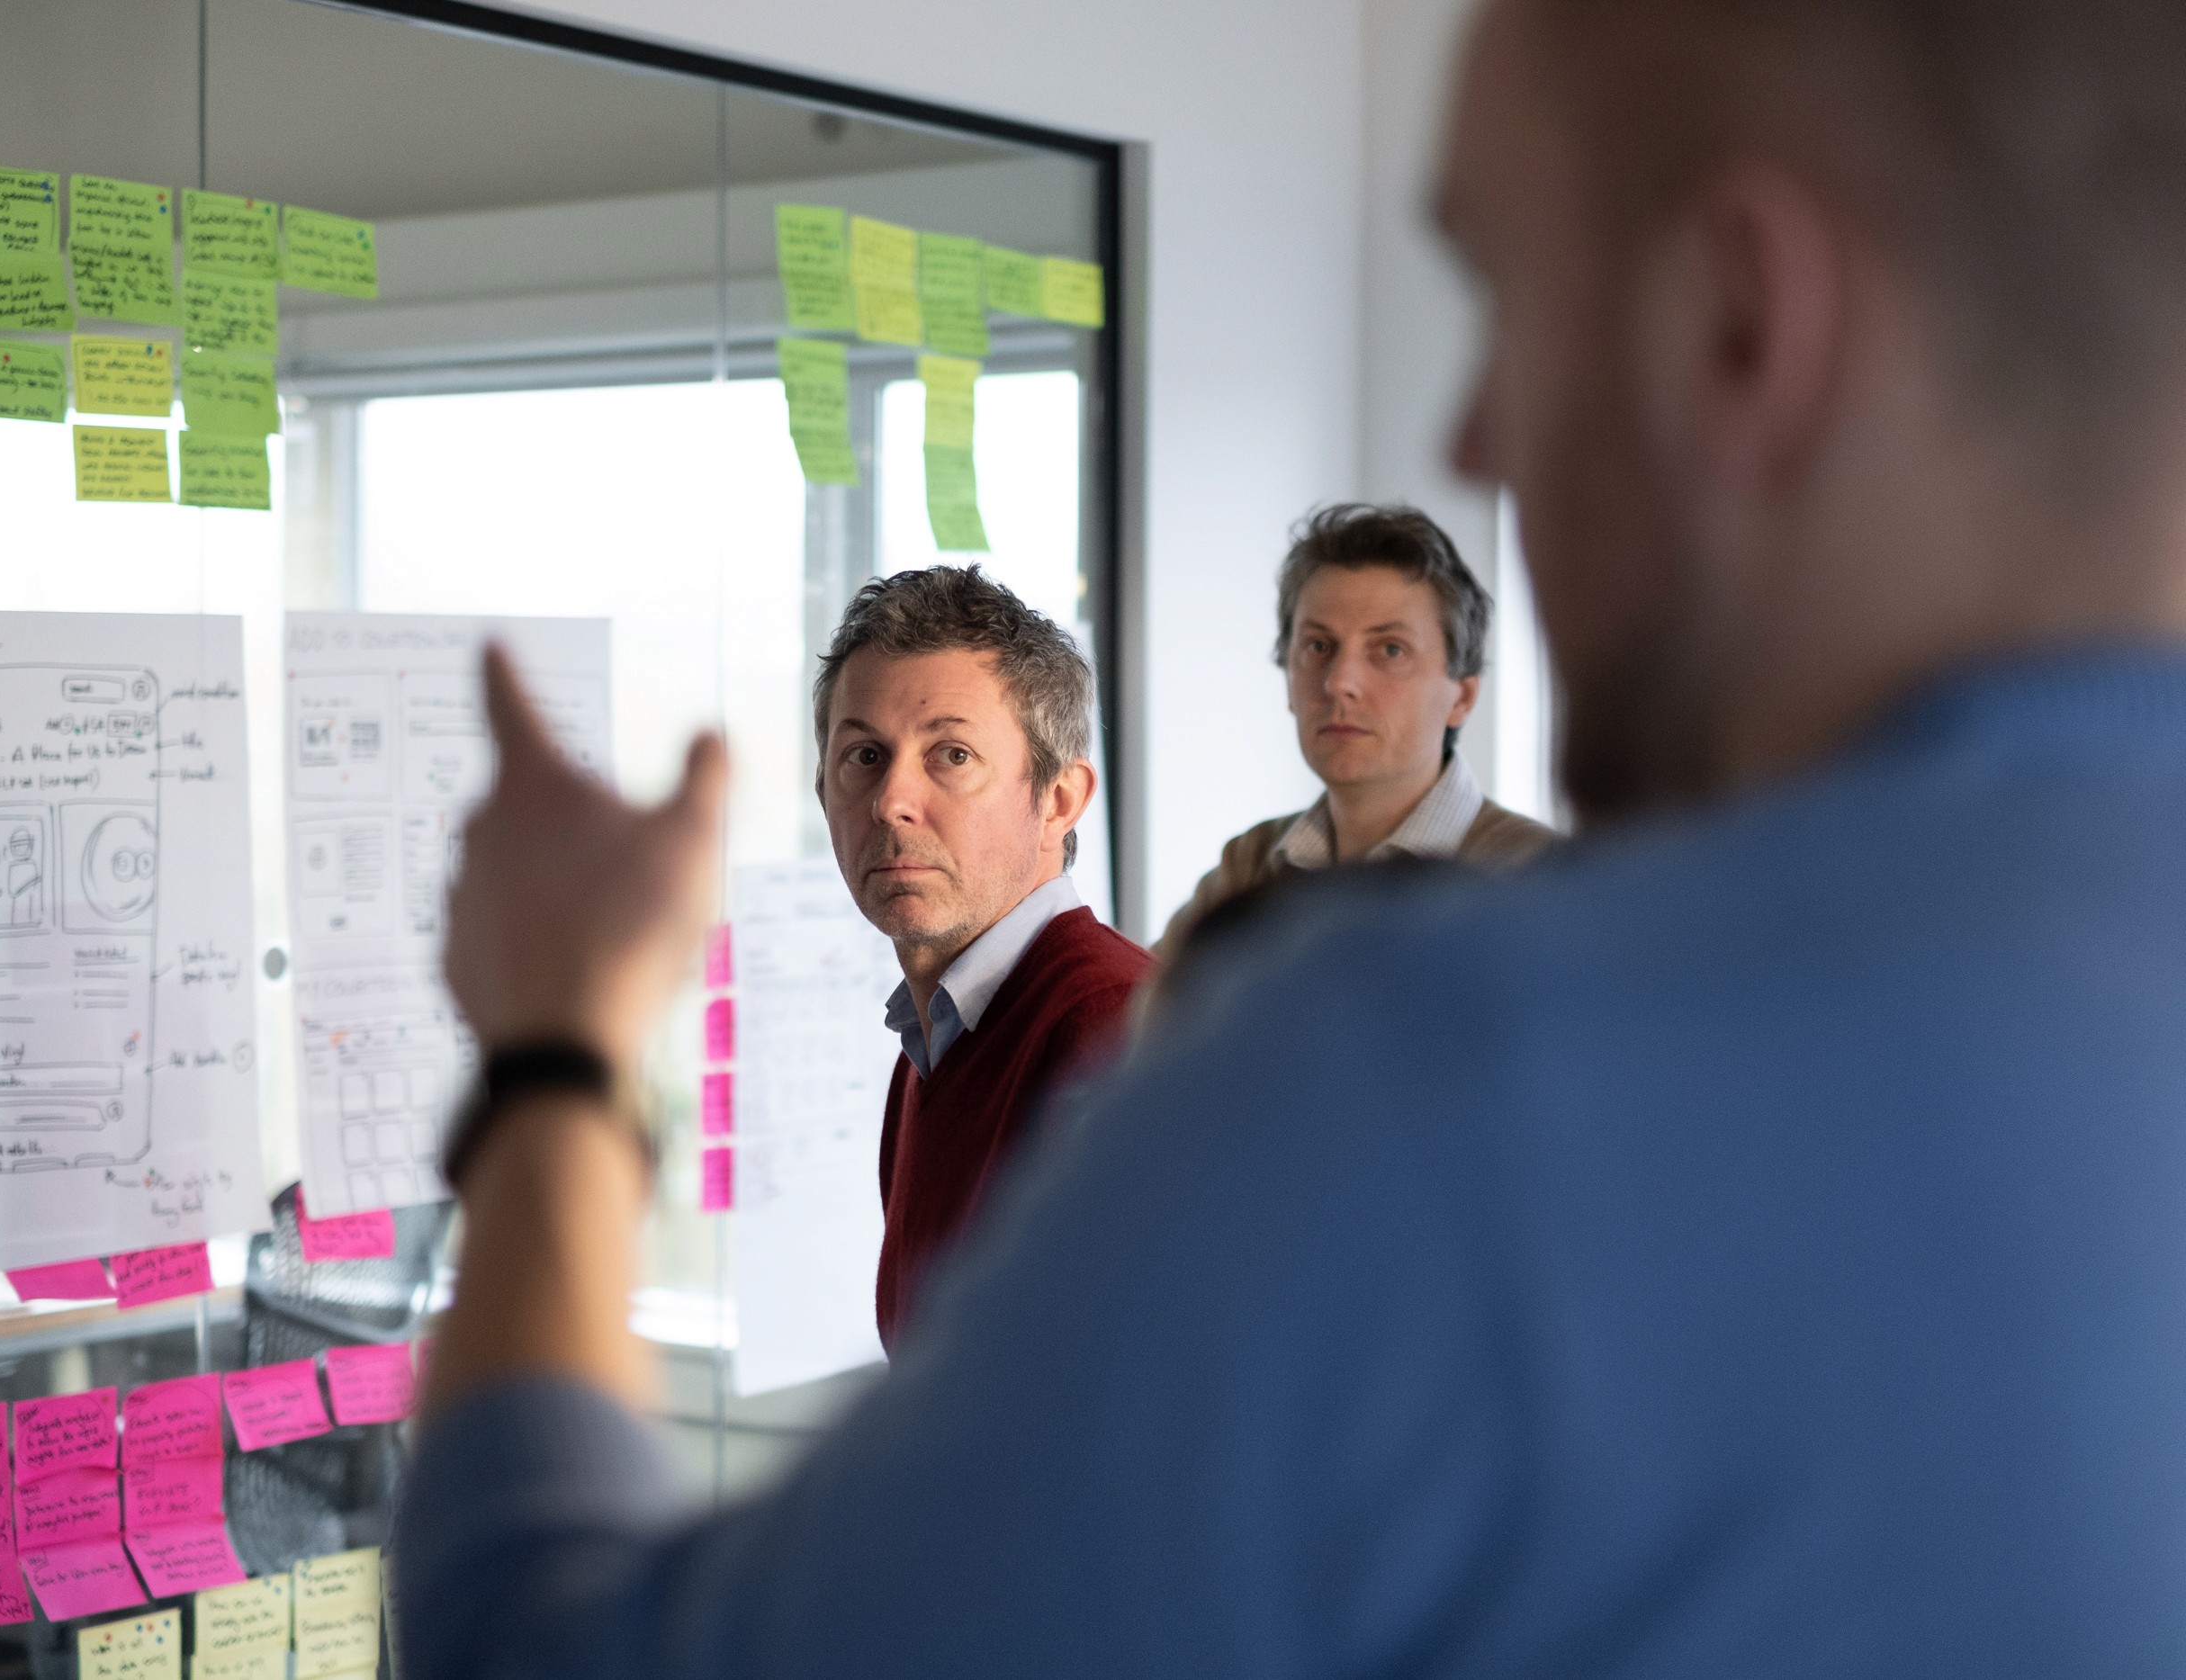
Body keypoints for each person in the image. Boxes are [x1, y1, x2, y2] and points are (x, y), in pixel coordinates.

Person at [404, 0, 2186, 1671]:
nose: (1474, 427)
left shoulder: (1435, 1085)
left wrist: (556, 1047)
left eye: (1503, 294)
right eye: (862, 754)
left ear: (1735, 328)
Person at [812, 566, 1150, 1343]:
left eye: (952, 755)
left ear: (1059, 801)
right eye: (863, 755)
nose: (892, 799)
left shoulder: (1113, 1034)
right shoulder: (928, 1050)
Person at [1155, 503, 1553, 971]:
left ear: (1462, 697)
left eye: (1389, 649)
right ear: (1287, 679)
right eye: (1319, 646)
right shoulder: (1251, 863)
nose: (1339, 681)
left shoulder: (1535, 880)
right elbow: (1139, 1026)